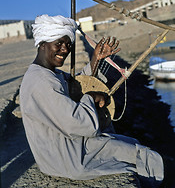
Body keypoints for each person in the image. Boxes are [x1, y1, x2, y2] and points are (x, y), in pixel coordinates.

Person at [20, 14, 164, 187]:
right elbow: (76, 123)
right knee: (142, 156)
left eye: (67, 44)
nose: (65, 50)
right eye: (58, 43)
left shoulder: (48, 74)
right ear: (42, 43)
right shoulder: (42, 82)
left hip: (68, 147)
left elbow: (76, 86)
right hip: (68, 159)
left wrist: (96, 59)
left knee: (132, 145)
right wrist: (91, 97)